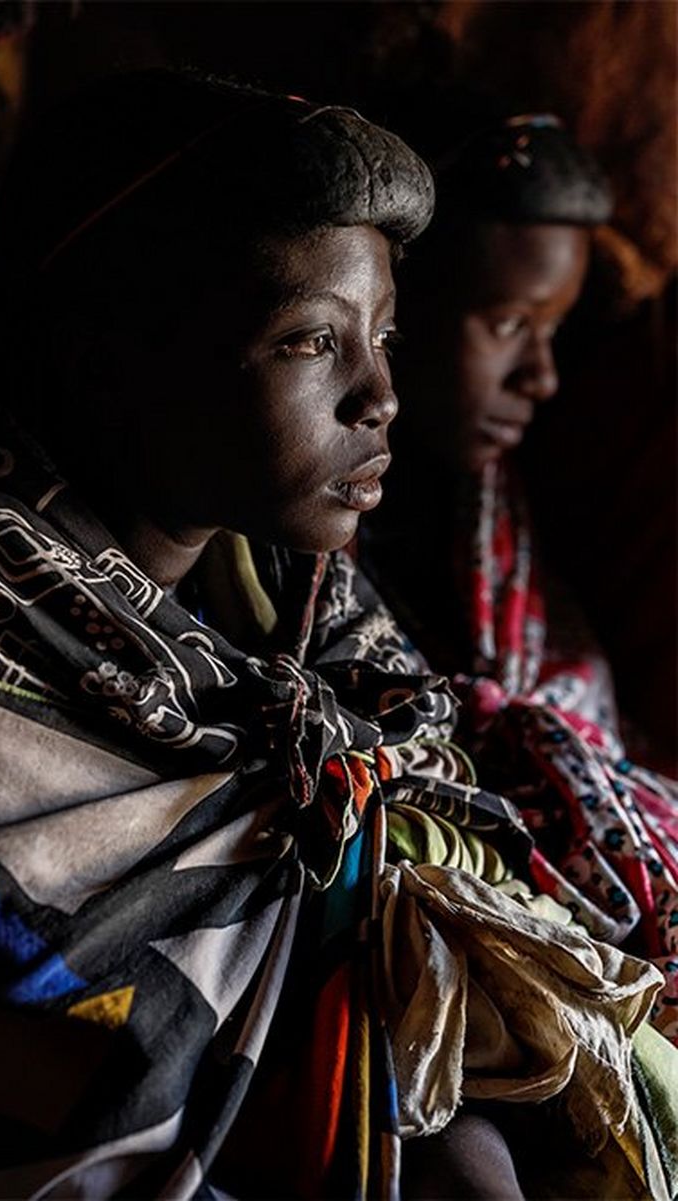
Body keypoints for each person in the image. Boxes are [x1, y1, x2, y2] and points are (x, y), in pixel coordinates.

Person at [0, 71, 674, 1200]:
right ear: (109, 351)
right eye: (311, 341)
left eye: (385, 336)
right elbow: (4, 1010)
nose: (378, 394)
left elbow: (405, 817)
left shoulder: (294, 595)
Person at [366, 96, 678, 1045]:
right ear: (398, 309)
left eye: (554, 330)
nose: (540, 375)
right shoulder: (305, 537)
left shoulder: (508, 536)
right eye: (506, 323)